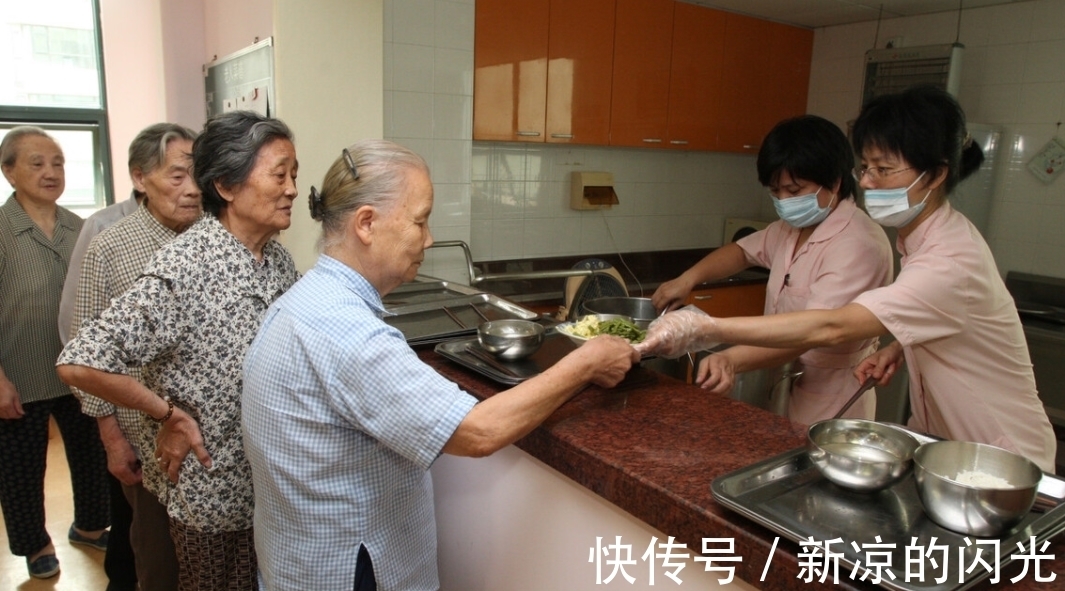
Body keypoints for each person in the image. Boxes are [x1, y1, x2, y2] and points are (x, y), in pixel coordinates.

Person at [241, 140, 638, 591]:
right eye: (420, 221)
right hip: (351, 572)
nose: (428, 239)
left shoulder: (301, 300)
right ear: (366, 224)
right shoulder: (348, 331)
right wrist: (585, 363)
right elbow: (479, 431)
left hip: (295, 565)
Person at [637, 86, 1057, 472]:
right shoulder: (924, 239)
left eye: (884, 169)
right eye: (866, 167)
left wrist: (708, 329)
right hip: (951, 448)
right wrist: (900, 345)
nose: (868, 182)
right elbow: (946, 313)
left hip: (1003, 459)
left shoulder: (945, 258)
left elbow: (831, 325)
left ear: (934, 174)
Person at [57, 111, 301, 591]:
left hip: (270, 486)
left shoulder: (276, 259)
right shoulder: (188, 265)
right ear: (226, 186)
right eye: (280, 175)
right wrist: (166, 414)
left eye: (294, 174)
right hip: (215, 496)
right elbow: (79, 360)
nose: (292, 189)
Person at [651, 115, 893, 423]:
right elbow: (741, 252)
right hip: (778, 382)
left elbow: (811, 333)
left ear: (834, 182)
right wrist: (688, 279)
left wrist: (731, 357)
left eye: (794, 190)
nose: (783, 201)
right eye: (776, 192)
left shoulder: (858, 244)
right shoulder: (792, 228)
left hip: (832, 397)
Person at [65, 123, 201, 591]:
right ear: (140, 178)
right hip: (146, 438)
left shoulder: (213, 237)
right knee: (159, 561)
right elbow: (84, 352)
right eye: (178, 176)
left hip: (212, 440)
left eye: (197, 174)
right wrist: (112, 438)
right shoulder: (110, 245)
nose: (192, 189)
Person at [0, 126, 110, 579]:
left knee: (92, 454)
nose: (51, 172)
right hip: (19, 374)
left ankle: (89, 525)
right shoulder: (3, 230)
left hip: (78, 370)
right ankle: (35, 544)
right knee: (22, 468)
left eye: (58, 163)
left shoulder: (78, 227)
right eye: (37, 163)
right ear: (9, 172)